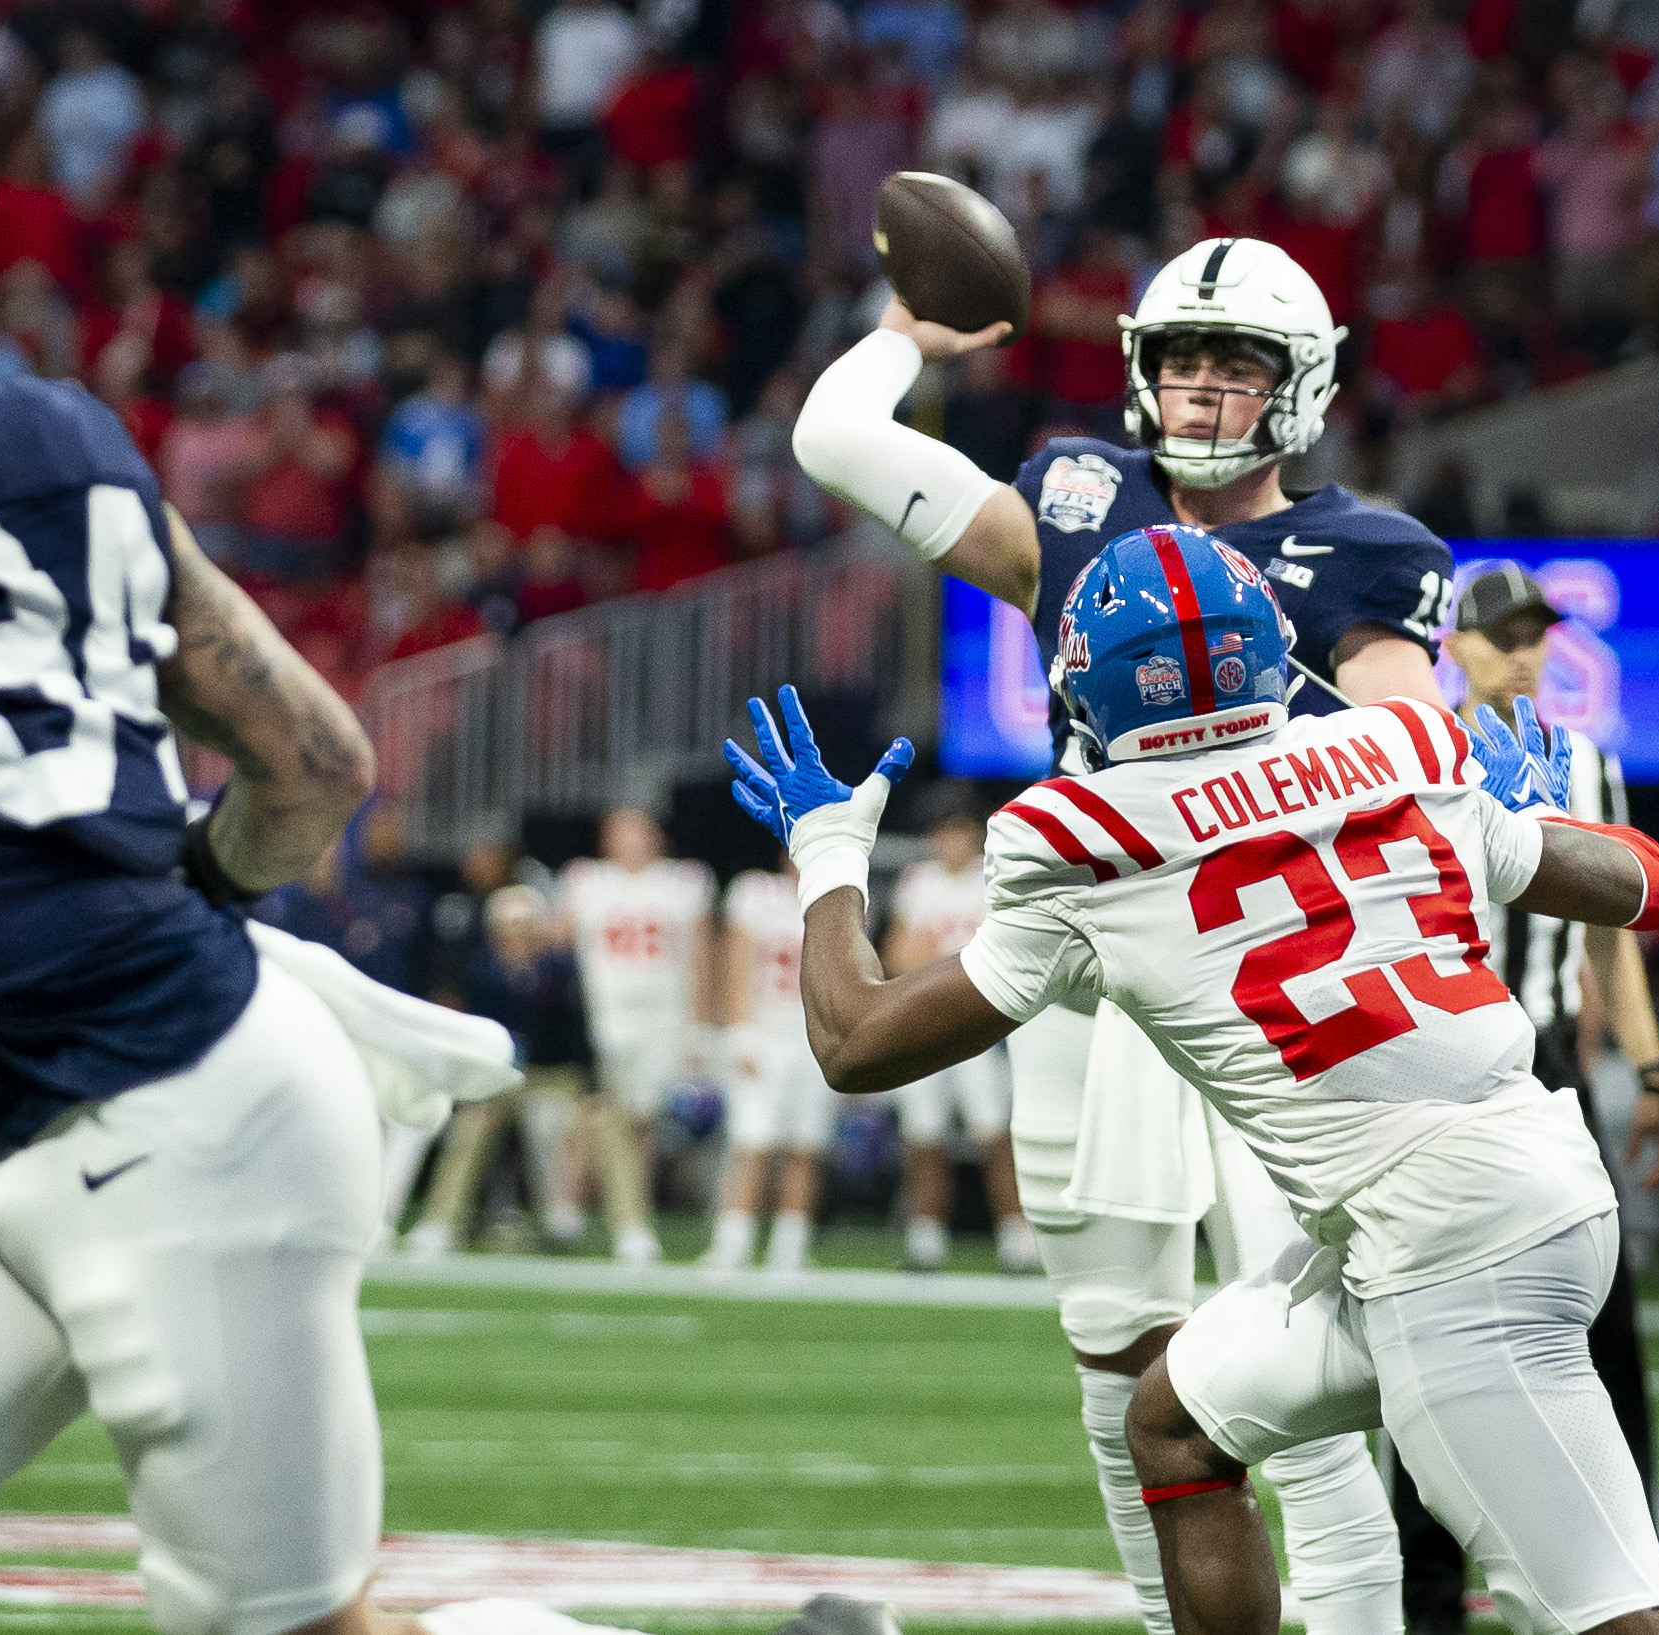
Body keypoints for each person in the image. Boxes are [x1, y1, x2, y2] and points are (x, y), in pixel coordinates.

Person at [0, 64, 885, 1635]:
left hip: (159, 1106)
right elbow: (317, 766)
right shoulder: (61, 434)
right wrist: (196, 896)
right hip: (15, 1107)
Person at [729, 525, 1659, 1635]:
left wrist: (827, 854)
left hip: (1452, 1249)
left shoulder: (1081, 835)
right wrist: (1529, 823)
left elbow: (855, 1043)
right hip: (1506, 1187)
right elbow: (1655, 893)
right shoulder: (1405, 745)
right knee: (1177, 1425)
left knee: (1621, 1621)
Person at [793, 237, 1435, 1632]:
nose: (1204, 387)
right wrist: (910, 327)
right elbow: (835, 434)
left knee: (1298, 1382)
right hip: (1089, 962)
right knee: (1114, 1353)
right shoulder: (1083, 500)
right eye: (1186, 358)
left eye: (1238, 362)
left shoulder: (1367, 553)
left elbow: (1411, 743)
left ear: (1302, 382)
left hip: (1275, 968)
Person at [1409, 564, 1659, 1633]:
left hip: (1549, 1060)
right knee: (1417, 1320)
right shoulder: (1411, 759)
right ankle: (1425, 1594)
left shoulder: (1589, 769)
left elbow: (1613, 939)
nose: (1521, 652)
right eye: (1499, 635)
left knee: (1607, 1328)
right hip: (1439, 1056)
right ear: (1455, 647)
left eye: (1534, 636)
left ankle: (1631, 1577)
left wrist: (1649, 1068)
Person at [882, 792, 1035, 1273]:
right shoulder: (918, 883)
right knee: (924, 1137)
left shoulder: (992, 881)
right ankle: (926, 1236)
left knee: (994, 1137)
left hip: (982, 1028)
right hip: (926, 1027)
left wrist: (937, 959)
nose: (953, 842)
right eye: (944, 832)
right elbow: (897, 957)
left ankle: (1017, 1235)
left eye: (961, 831)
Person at [558, 805, 714, 1266]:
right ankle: (569, 1210)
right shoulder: (586, 881)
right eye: (620, 833)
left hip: (662, 1018)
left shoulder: (683, 883)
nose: (629, 842)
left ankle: (631, 1215)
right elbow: (561, 946)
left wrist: (699, 1027)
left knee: (642, 1120)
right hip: (601, 1015)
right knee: (594, 1114)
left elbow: (702, 957)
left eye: (637, 832)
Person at [405, 883, 593, 1256]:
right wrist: (480, 1088)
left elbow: (576, 1034)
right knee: (472, 1126)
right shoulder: (480, 972)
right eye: (511, 928)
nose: (518, 938)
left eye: (525, 928)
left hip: (547, 1073)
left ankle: (564, 1216)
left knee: (565, 1121)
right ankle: (440, 1222)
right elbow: (476, 1039)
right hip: (498, 1074)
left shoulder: (559, 970)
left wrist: (591, 1088)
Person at [705, 852, 840, 1275]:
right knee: (752, 1142)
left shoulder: (840, 900)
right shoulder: (755, 893)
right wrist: (740, 1029)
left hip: (813, 1037)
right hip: (764, 1033)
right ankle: (733, 1242)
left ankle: (790, 1246)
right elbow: (735, 959)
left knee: (806, 1146)